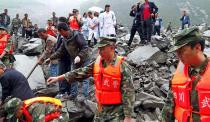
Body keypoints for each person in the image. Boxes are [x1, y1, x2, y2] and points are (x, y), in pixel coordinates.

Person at [47, 37, 135, 122]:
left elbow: (128, 93)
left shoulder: (122, 67)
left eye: (102, 49)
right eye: (99, 49)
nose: (99, 53)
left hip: (116, 113)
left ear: (111, 48)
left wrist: (128, 117)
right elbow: (81, 72)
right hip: (100, 110)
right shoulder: (98, 63)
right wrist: (58, 78)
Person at [159, 27, 210, 122]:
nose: (178, 56)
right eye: (176, 52)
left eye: (181, 51)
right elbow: (169, 107)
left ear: (197, 48)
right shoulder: (179, 75)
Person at [47, 23, 90, 100]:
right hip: (74, 60)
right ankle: (73, 94)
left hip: (84, 59)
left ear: (62, 30)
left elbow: (85, 46)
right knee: (73, 76)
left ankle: (84, 95)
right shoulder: (65, 39)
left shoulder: (76, 35)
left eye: (59, 32)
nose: (59, 34)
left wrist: (79, 56)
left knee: (85, 77)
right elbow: (61, 51)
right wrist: (51, 58)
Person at [3, 97, 69, 121]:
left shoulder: (35, 108)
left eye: (14, 114)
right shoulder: (22, 109)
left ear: (21, 109)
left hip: (61, 115)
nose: (15, 116)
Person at [54, 17, 72, 99]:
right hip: (64, 57)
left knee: (61, 74)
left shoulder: (64, 35)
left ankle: (62, 91)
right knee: (65, 74)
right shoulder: (61, 34)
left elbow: (62, 48)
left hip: (64, 58)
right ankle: (66, 91)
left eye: (58, 22)